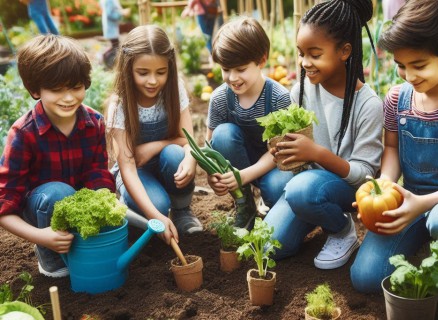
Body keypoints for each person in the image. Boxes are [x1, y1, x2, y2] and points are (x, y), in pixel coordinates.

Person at [350, 0, 438, 295]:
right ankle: (424, 241)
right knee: (367, 278)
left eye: (419, 65)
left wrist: (424, 204)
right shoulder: (397, 99)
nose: (409, 76)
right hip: (411, 200)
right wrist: (385, 184)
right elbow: (392, 149)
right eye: (400, 66)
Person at [264, 0, 383, 269]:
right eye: (301, 53)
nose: (305, 62)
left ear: (344, 51)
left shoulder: (368, 105)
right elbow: (299, 160)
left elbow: (366, 176)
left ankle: (342, 230)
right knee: (269, 247)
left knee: (301, 189)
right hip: (308, 184)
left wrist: (317, 153)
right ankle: (315, 212)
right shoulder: (301, 91)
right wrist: (286, 151)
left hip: (347, 191)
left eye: (314, 54)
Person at [0, 34, 115, 278]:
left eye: (76, 87)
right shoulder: (24, 133)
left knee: (100, 194)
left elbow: (97, 172)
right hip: (42, 208)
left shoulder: (94, 123)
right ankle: (49, 252)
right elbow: (5, 203)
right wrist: (42, 236)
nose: (69, 98)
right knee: (58, 194)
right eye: (56, 90)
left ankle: (81, 243)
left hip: (79, 203)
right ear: (34, 90)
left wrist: (103, 200)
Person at [106, 25, 203, 245]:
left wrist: (183, 155)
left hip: (165, 163)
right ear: (128, 68)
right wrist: (156, 216)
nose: (152, 81)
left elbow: (187, 140)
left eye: (161, 72)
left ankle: (182, 211)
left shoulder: (174, 89)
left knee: (175, 155)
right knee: (157, 206)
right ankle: (138, 208)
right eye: (143, 73)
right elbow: (128, 167)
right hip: (135, 174)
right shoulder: (120, 104)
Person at [206, 16, 293, 230]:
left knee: (277, 188)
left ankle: (271, 205)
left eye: (241, 69)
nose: (232, 77)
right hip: (238, 161)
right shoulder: (220, 98)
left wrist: (243, 176)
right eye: (226, 69)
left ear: (261, 61)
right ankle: (245, 203)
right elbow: (210, 144)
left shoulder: (278, 97)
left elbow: (279, 151)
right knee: (223, 133)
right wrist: (212, 176)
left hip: (272, 164)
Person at [100, 0, 131, 69]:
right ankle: (105, 59)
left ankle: (105, 59)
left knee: (115, 45)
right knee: (115, 45)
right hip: (111, 27)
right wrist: (122, 13)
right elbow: (110, 14)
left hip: (111, 27)